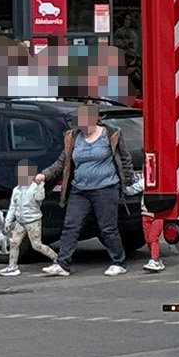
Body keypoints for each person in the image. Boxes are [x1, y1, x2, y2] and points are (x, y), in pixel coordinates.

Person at [36, 103, 134, 277]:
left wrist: (125, 183)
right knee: (70, 226)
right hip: (79, 189)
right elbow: (62, 162)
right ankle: (62, 264)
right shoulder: (73, 137)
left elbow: (125, 159)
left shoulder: (111, 134)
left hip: (105, 188)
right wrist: (45, 175)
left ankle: (118, 262)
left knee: (107, 228)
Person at [0, 161, 58, 276]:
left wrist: (40, 186)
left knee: (37, 245)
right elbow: (13, 207)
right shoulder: (16, 190)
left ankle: (56, 257)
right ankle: (12, 266)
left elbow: (40, 198)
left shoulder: (35, 187)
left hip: (33, 221)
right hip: (20, 221)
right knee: (14, 243)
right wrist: (8, 221)